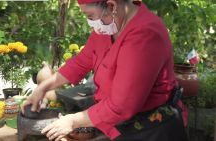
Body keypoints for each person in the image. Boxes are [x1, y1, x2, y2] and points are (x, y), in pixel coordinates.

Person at [21, 0, 188, 141]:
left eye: (91, 16)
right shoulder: (109, 25)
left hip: (153, 130)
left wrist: (72, 121)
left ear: (111, 6)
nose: (91, 22)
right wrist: (42, 88)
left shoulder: (145, 34)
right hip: (122, 125)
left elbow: (121, 106)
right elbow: (80, 62)